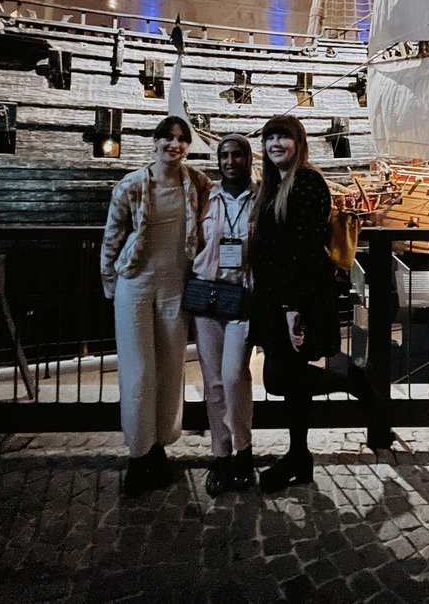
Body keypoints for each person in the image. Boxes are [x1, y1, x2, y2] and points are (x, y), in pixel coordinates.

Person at [250, 115, 385, 493]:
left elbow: (305, 249)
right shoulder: (273, 185)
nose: (276, 143)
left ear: (299, 142)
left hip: (300, 298)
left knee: (282, 379)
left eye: (284, 137)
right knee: (286, 382)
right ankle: (300, 456)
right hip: (279, 297)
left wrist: (293, 310)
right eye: (270, 137)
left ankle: (351, 380)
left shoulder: (307, 182)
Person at [101, 115, 211, 496]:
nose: (174, 145)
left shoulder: (196, 182)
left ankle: (160, 446)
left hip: (176, 286)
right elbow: (112, 236)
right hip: (135, 284)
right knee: (139, 371)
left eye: (182, 139)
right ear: (155, 142)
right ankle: (138, 454)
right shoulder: (132, 185)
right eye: (167, 138)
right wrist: (109, 283)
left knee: (170, 369)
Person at [192, 133, 256, 495]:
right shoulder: (205, 198)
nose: (230, 161)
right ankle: (221, 454)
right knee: (213, 382)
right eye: (224, 155)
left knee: (234, 377)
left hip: (243, 298)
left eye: (237, 155)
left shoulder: (260, 198)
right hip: (208, 296)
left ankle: (243, 449)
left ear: (248, 159)